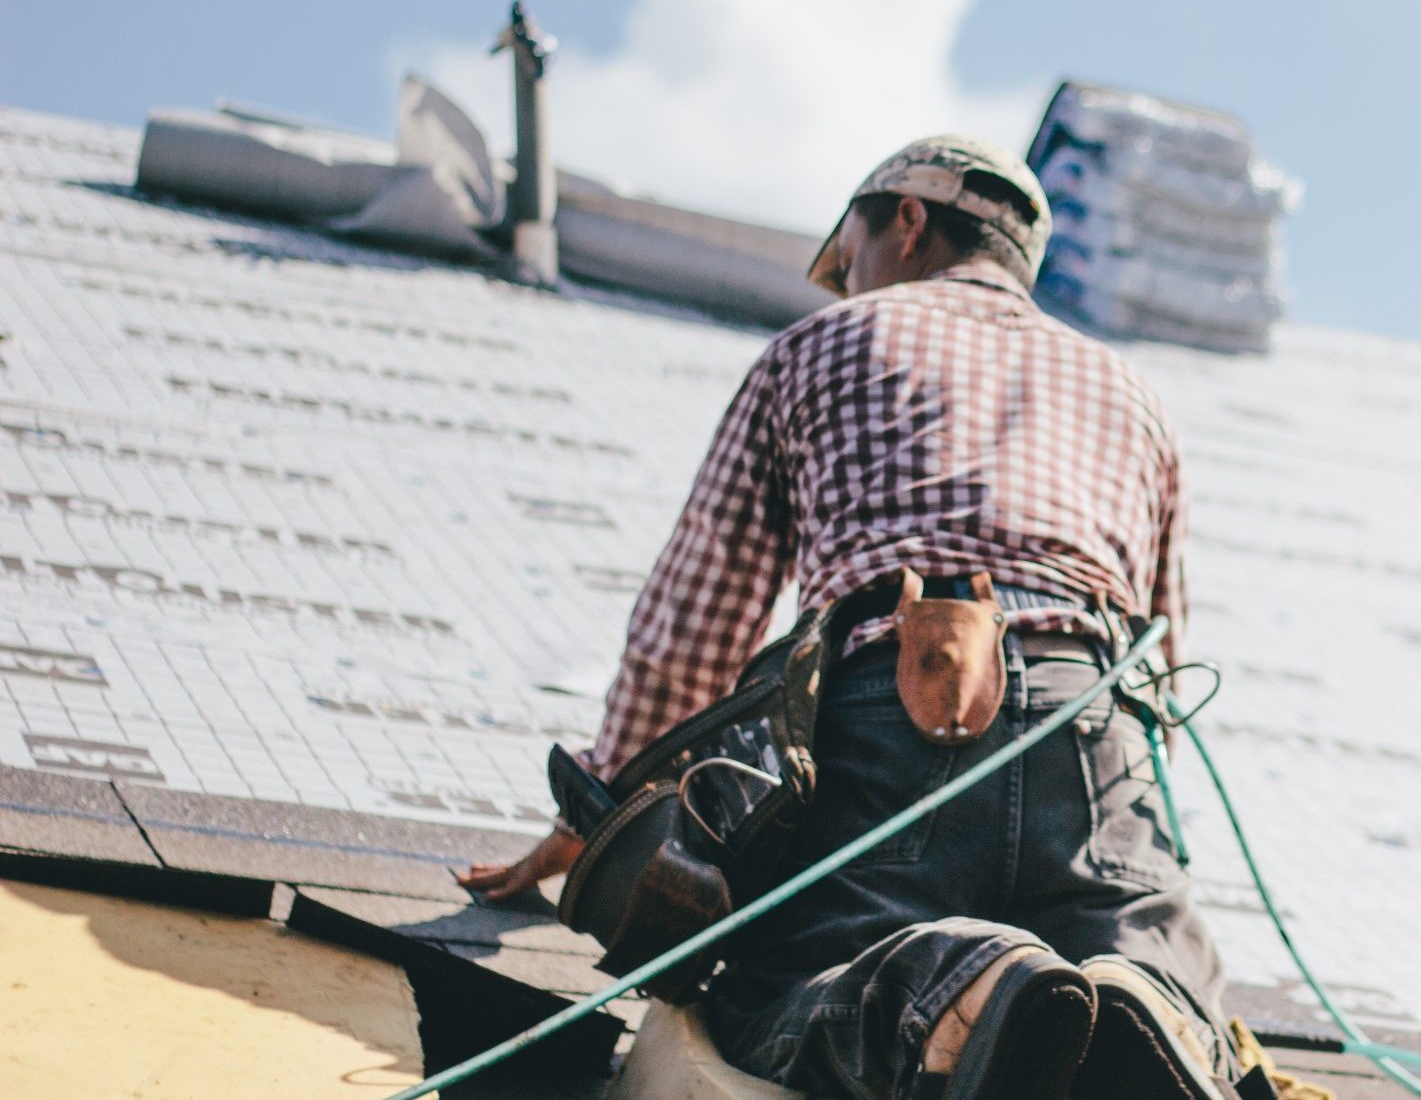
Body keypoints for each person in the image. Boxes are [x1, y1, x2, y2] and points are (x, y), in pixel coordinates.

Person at [461, 136, 1243, 1100]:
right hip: (1095, 721)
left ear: (908, 222)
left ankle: (960, 989)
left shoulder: (821, 345)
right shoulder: (1132, 396)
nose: (848, 282)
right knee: (1148, 976)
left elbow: (695, 621)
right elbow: (1164, 659)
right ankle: (1146, 1001)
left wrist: (605, 804)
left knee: (782, 990)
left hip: (889, 712)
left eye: (848, 256)